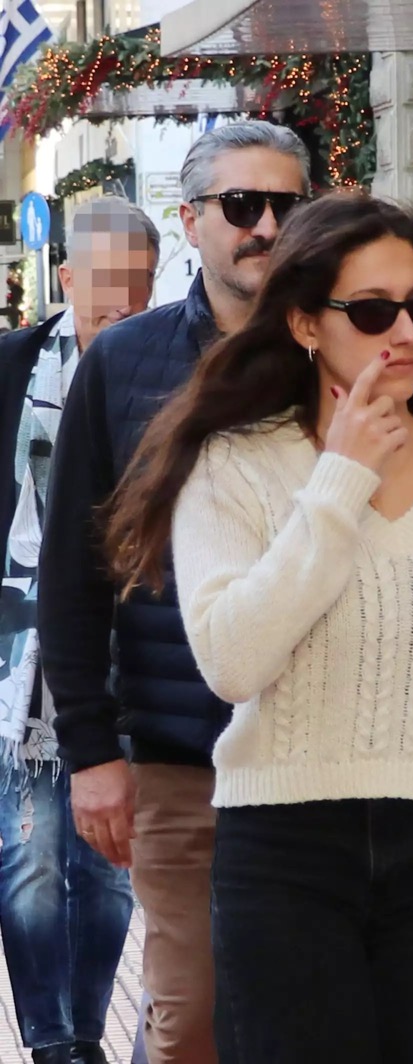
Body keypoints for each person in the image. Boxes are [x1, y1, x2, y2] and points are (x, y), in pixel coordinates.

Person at [101, 191, 413, 1064]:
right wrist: (338, 482)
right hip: (283, 856)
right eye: (373, 311)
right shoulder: (232, 466)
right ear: (305, 323)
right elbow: (231, 661)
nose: (405, 333)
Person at [37, 120, 313, 1064]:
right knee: (189, 1016)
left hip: (326, 761)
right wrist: (90, 752)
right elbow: (74, 573)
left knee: (309, 1019)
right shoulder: (123, 363)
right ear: (192, 222)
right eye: (242, 204)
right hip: (180, 757)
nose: (266, 226)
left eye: (286, 206)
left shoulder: (348, 353)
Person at [0, 197, 158, 1064]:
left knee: (105, 869)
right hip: (19, 654)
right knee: (28, 860)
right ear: (66, 278)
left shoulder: (166, 374)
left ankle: (87, 1031)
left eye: (137, 287)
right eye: (103, 285)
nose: (120, 304)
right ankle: (52, 1041)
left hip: (128, 652)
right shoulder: (14, 366)